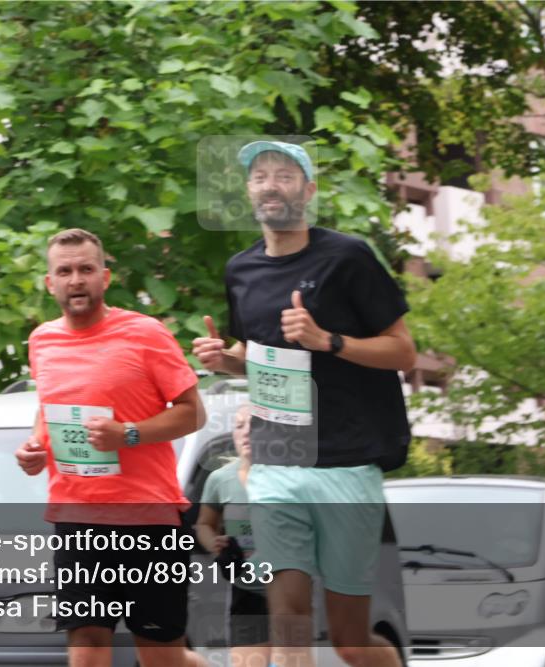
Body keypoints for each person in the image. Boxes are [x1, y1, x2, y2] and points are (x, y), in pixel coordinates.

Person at [192, 141, 415, 667]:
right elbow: (258, 357)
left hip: (347, 465)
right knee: (288, 618)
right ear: (249, 192)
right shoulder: (241, 270)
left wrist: (328, 340)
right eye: (260, 176)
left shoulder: (348, 257)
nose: (271, 185)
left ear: (308, 191)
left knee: (349, 641)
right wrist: (227, 360)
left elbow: (404, 352)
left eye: (285, 176)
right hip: (276, 465)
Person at [15, 228, 208, 667]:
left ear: (104, 277)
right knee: (87, 648)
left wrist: (129, 434)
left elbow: (193, 413)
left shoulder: (145, 333)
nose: (76, 280)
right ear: (50, 283)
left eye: (86, 269)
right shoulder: (42, 340)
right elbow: (49, 407)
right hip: (77, 517)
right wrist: (34, 446)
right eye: (65, 271)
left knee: (161, 658)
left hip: (147, 520)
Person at [194, 404, 271, 667]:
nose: (246, 432)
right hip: (245, 589)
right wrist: (215, 544)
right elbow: (204, 524)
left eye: (254, 425)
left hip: (289, 586)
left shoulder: (290, 476)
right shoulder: (220, 479)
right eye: (239, 426)